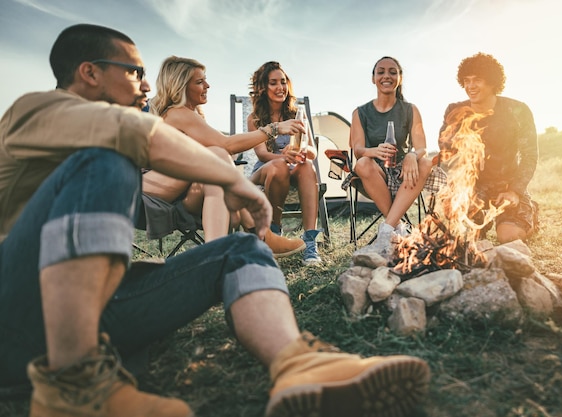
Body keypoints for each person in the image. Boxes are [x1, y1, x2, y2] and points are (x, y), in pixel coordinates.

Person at [0, 24, 431, 417]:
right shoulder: (34, 111)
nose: (146, 84)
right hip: (14, 311)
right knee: (105, 159)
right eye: (134, 71)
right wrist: (235, 181)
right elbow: (133, 133)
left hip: (99, 318)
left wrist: (226, 177)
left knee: (240, 249)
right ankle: (75, 389)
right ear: (90, 72)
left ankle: (297, 363)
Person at [143, 55, 305, 258]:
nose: (208, 85)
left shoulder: (192, 115)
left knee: (217, 179)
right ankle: (259, 233)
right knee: (218, 155)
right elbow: (226, 145)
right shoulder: (177, 113)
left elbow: (227, 148)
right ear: (181, 86)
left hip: (182, 196)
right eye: (200, 81)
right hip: (151, 191)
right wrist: (274, 128)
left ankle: (217, 260)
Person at [438, 52, 538, 243]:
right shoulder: (455, 110)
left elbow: (529, 156)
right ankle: (479, 224)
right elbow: (444, 146)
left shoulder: (517, 110)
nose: (470, 86)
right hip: (473, 188)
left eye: (477, 80)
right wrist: (467, 151)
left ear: (492, 82)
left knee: (508, 237)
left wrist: (515, 191)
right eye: (466, 81)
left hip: (507, 186)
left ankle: (531, 214)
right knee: (465, 238)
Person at [350, 56, 432, 257]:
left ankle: (387, 231)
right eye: (381, 72)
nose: (387, 76)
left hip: (405, 175)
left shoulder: (410, 109)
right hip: (374, 175)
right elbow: (358, 148)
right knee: (362, 164)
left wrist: (412, 155)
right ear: (373, 78)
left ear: (400, 78)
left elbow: (422, 147)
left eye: (392, 72)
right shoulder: (360, 112)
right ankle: (397, 227)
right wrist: (373, 151)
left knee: (425, 161)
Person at [247, 61, 322, 265]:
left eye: (283, 82)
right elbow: (262, 154)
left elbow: (312, 150)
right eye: (273, 83)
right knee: (279, 166)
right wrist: (283, 158)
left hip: (294, 168)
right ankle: (274, 234)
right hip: (265, 170)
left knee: (306, 165)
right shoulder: (255, 118)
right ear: (262, 88)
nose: (280, 87)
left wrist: (303, 151)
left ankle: (310, 241)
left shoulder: (297, 114)